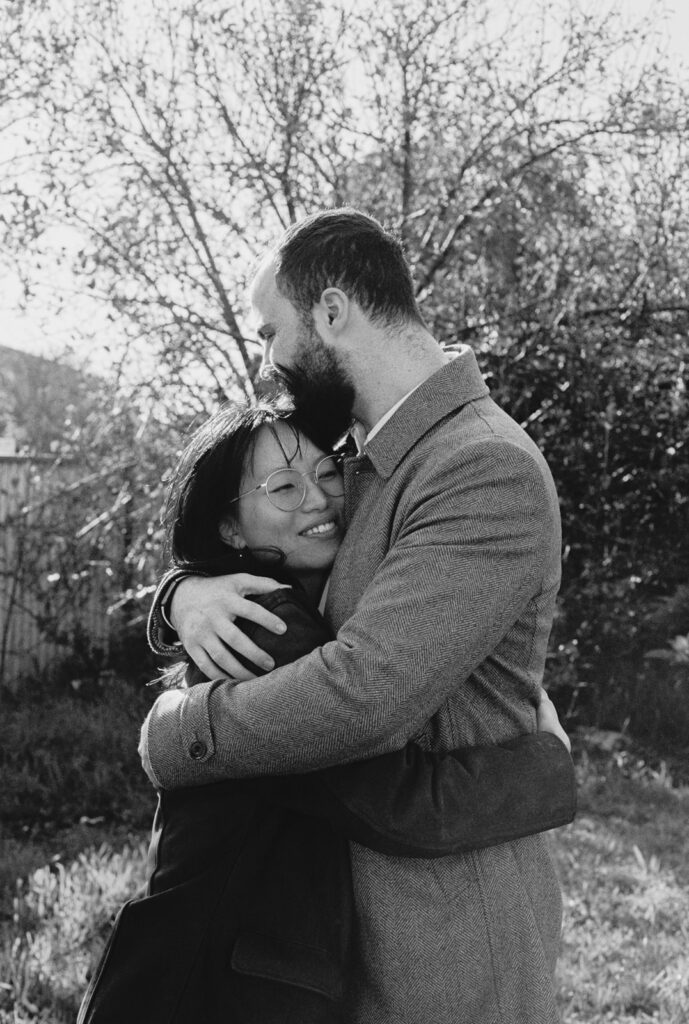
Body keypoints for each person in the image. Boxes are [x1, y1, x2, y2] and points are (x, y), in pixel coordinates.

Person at [142, 209, 570, 1023]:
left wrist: (177, 734)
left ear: (332, 313)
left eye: (272, 333)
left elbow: (361, 694)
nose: (268, 364)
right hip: (332, 926)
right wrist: (181, 597)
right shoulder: (357, 456)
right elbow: (253, 536)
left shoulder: (480, 466)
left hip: (442, 930)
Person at [80, 402, 574, 1024]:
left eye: (327, 472)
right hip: (205, 980)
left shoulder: (275, 605)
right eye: (284, 487)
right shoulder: (265, 628)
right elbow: (396, 802)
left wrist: (177, 591)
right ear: (231, 529)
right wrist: (548, 768)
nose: (318, 499)